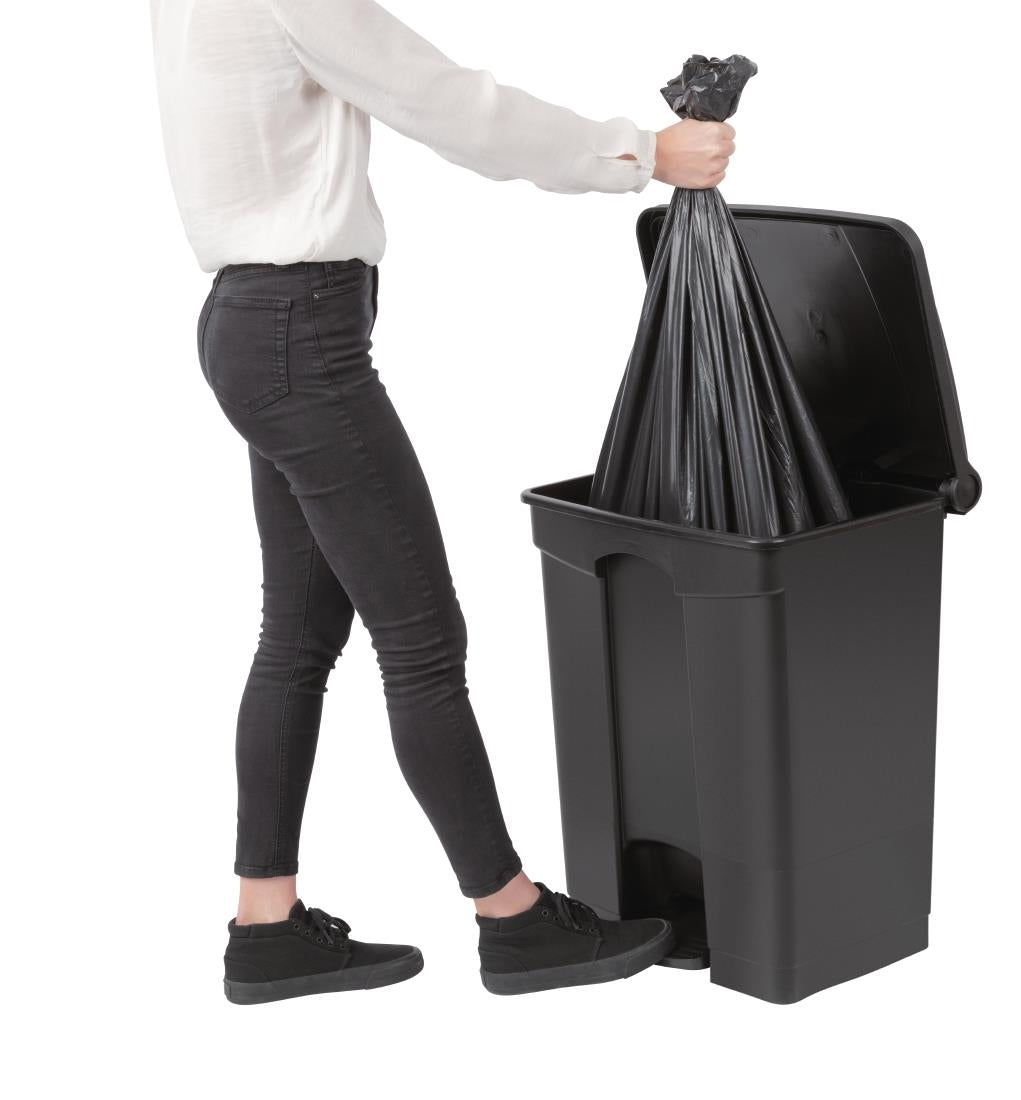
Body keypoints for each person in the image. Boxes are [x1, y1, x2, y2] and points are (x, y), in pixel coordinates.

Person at [150, 0, 734, 1004]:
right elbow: (446, 102)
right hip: (301, 334)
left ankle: (267, 926)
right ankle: (513, 920)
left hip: (249, 324)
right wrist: (645, 153)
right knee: (420, 638)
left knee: (298, 634)